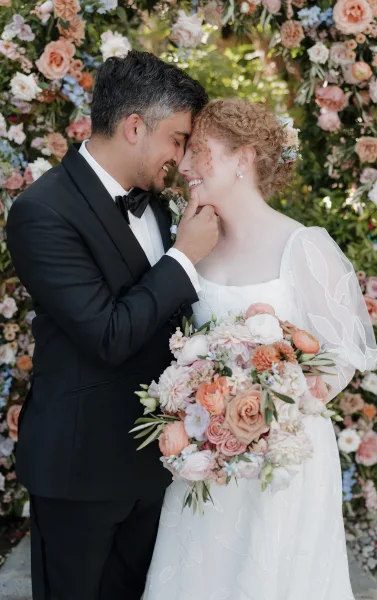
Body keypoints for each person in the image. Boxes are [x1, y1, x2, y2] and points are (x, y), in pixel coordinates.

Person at [143, 98, 377, 600]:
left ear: (242, 159)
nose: (184, 166)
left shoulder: (303, 245)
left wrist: (267, 401)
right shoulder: (191, 242)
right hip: (208, 460)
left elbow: (342, 356)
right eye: (184, 152)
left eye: (199, 151)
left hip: (281, 465)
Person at [6, 50, 219, 600]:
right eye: (176, 138)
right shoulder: (42, 211)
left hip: (157, 467)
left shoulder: (163, 208)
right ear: (132, 127)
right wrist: (184, 260)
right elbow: (107, 334)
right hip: (80, 471)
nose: (181, 155)